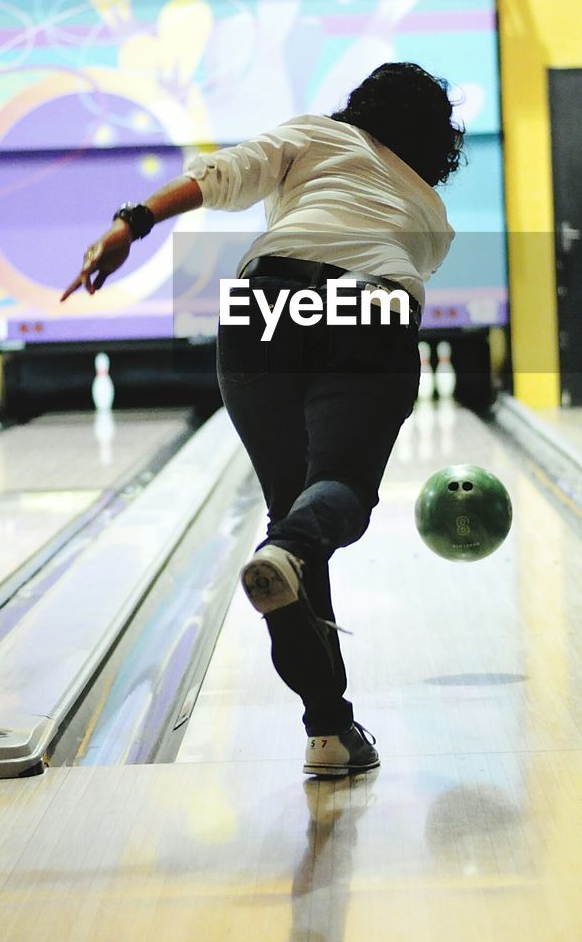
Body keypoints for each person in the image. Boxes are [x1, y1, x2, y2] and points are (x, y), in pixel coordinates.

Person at [61, 61, 463, 778]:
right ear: (439, 142)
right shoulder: (432, 215)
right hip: (370, 303)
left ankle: (329, 729)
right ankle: (319, 679)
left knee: (291, 523)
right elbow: (399, 267)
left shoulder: (312, 135)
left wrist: (133, 223)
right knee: (331, 498)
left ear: (358, 107)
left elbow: (224, 174)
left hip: (262, 301)